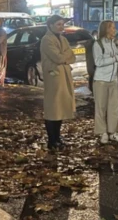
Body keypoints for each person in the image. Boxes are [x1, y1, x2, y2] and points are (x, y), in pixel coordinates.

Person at [40, 15, 76, 151]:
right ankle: (52, 140)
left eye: (62, 24)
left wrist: (65, 57)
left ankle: (58, 138)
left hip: (64, 76)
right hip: (54, 77)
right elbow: (58, 57)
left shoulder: (63, 39)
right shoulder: (46, 39)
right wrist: (65, 57)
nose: (61, 27)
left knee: (60, 108)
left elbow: (72, 56)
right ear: (50, 25)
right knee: (53, 108)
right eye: (58, 24)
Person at [93, 20, 118, 144]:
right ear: (106, 30)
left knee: (113, 107)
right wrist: (114, 58)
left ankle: (112, 132)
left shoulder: (116, 43)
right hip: (101, 80)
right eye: (112, 28)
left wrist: (117, 57)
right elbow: (98, 62)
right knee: (100, 108)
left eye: (114, 27)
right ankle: (102, 133)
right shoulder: (98, 44)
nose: (114, 30)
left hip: (113, 80)